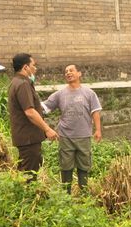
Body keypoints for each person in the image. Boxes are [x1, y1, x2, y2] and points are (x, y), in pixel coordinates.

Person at [41, 64, 102, 193]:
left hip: (83, 136)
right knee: (66, 166)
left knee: (83, 165)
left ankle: (84, 193)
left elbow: (95, 112)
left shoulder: (89, 93)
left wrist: (98, 130)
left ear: (79, 73)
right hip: (65, 136)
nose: (68, 73)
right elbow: (44, 108)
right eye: (66, 71)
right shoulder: (60, 94)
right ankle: (66, 194)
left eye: (71, 70)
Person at [8, 53, 58, 180]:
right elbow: (29, 112)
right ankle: (28, 198)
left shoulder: (17, 82)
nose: (35, 69)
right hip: (28, 138)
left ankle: (23, 196)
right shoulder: (22, 84)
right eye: (33, 65)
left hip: (26, 137)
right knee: (29, 174)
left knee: (25, 170)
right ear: (25, 67)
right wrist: (47, 129)